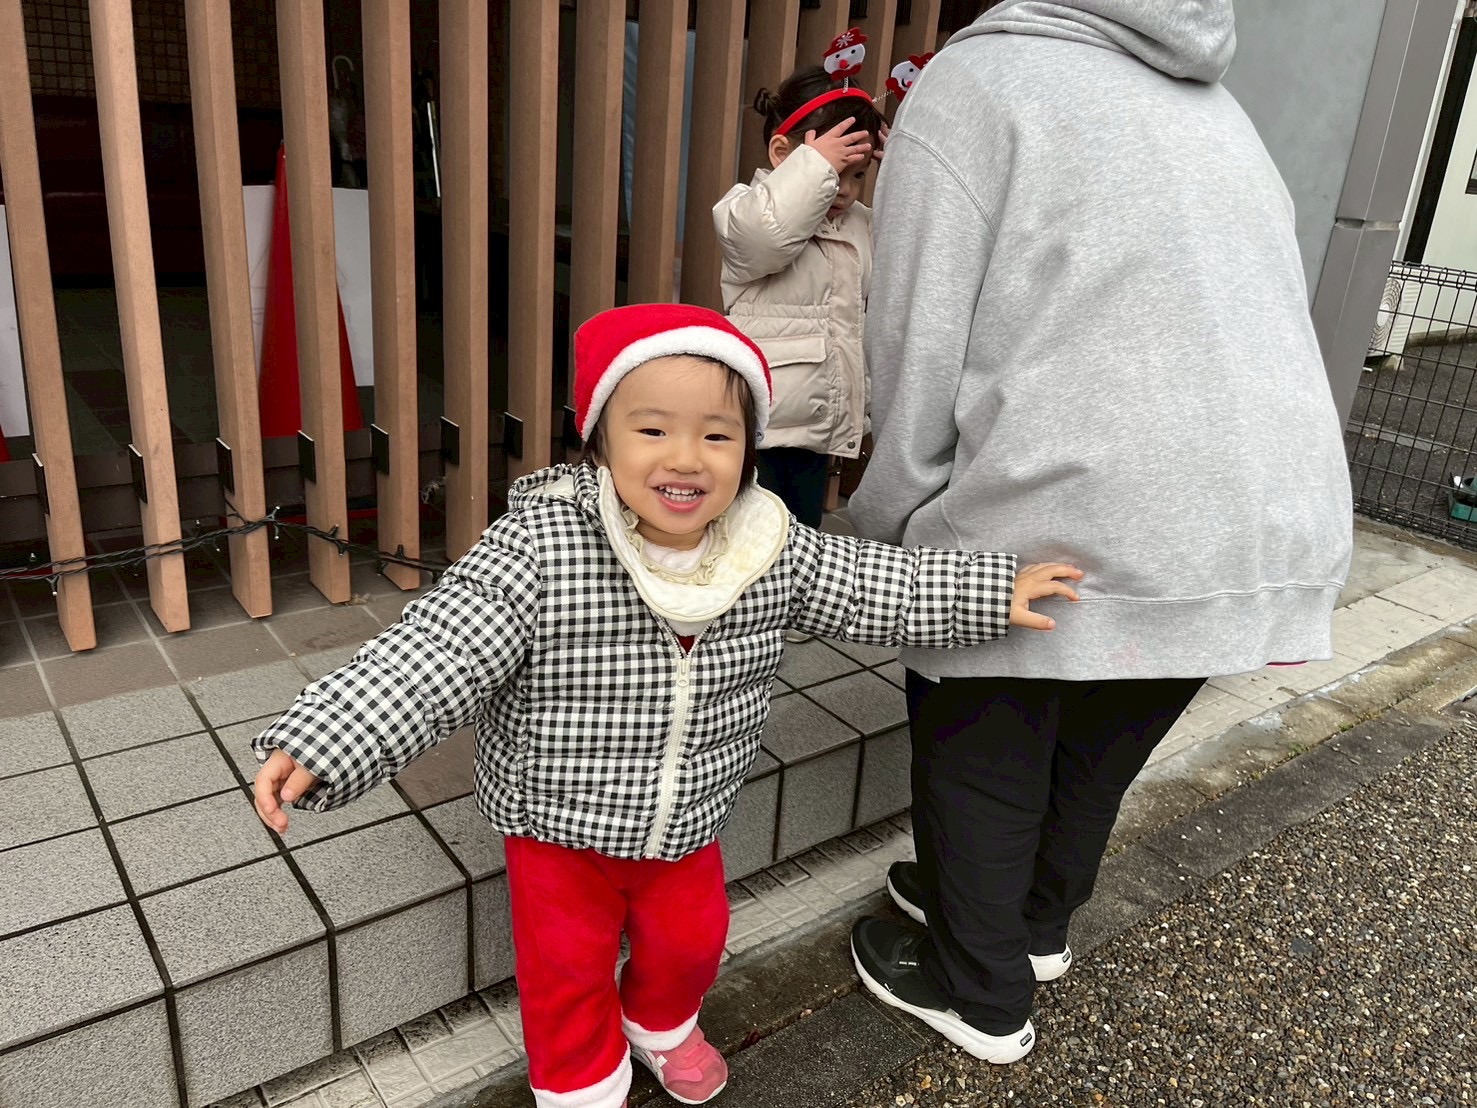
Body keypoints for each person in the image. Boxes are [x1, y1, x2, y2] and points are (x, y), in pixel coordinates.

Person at [250, 303, 1082, 1108]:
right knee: (565, 967)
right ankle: (579, 1084)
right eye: (651, 430)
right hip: (557, 825)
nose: (685, 459)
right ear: (599, 442)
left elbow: (873, 584)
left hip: (688, 816)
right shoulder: (540, 546)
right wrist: (330, 737)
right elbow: (439, 647)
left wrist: (987, 589)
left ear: (748, 450)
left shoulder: (766, 545)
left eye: (716, 436)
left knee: (690, 943)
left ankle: (658, 1024)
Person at [846, 0, 1355, 1067]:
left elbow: (915, 333)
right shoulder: (1218, 106)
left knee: (982, 741)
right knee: (1095, 742)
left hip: (1070, 485)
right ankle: (1028, 926)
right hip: (1259, 506)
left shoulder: (978, 83)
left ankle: (979, 993)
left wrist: (889, 528)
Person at [712, 64, 884, 542]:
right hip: (760, 421)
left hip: (816, 423)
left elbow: (908, 251)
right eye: (834, 173)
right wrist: (813, 170)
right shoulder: (745, 209)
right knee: (744, 536)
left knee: (800, 535)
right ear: (782, 153)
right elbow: (768, 235)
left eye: (858, 175)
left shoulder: (858, 223)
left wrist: (903, 170)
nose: (844, 190)